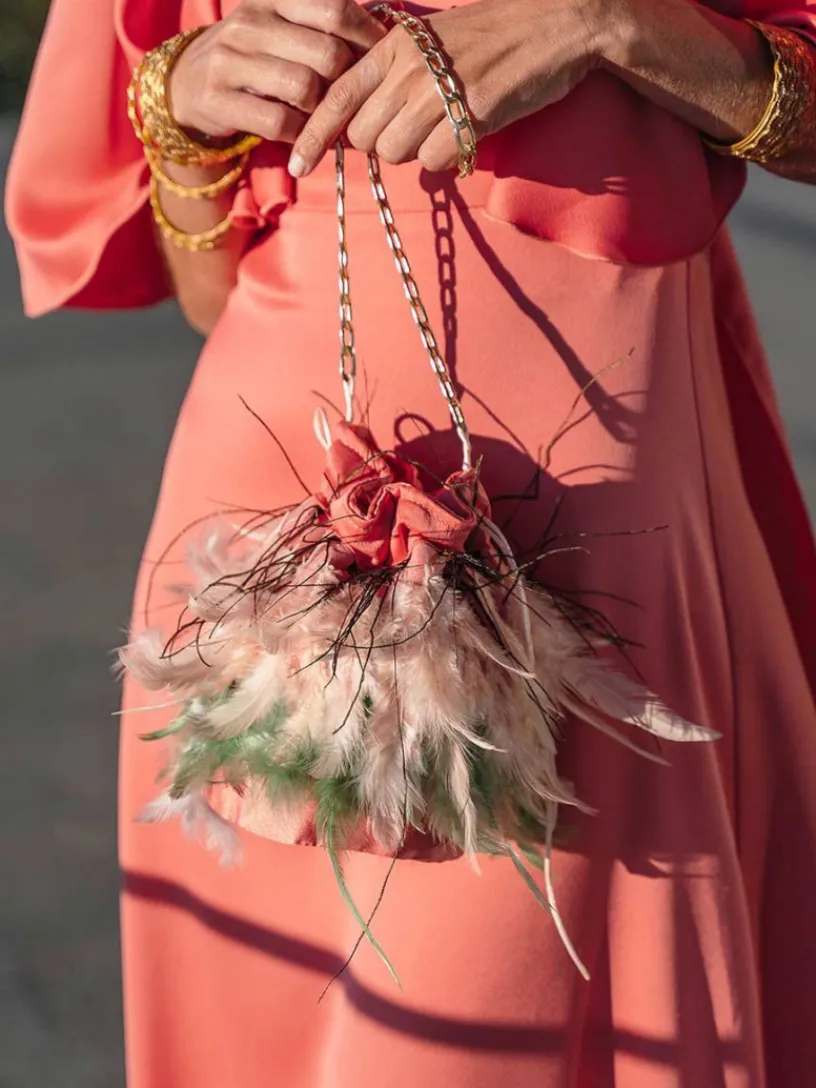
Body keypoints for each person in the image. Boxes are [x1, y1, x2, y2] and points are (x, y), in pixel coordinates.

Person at [6, 0, 816, 1083]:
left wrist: (606, 24)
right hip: (270, 563)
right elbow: (210, 289)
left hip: (586, 562)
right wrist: (186, 114)